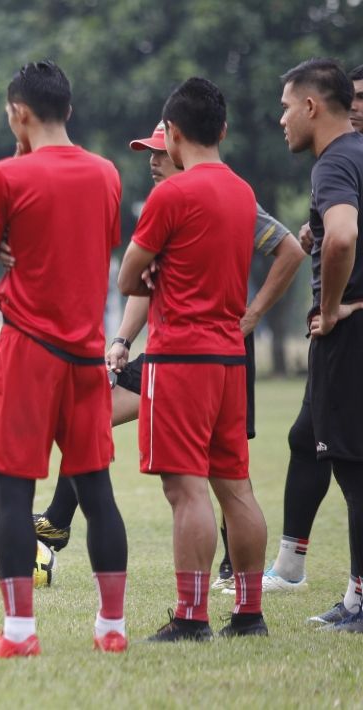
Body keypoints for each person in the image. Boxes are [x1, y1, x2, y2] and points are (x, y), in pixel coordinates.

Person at [28, 120, 303, 595]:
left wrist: (254, 314)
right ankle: (57, 522)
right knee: (90, 418)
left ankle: (228, 576)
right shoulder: (170, 204)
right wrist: (121, 341)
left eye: (159, 150)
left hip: (202, 348)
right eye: (148, 152)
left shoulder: (226, 195)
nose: (152, 160)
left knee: (217, 476)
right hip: (170, 349)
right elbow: (147, 285)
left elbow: (289, 250)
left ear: (180, 145)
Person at [0, 61, 128, 659]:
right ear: (69, 110)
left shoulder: (5, 175)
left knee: (10, 494)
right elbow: (99, 243)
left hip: (30, 349)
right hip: (87, 354)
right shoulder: (107, 173)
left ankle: (19, 634)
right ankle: (111, 627)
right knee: (97, 490)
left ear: (19, 113)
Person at [120, 77, 269, 641]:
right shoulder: (242, 191)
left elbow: (128, 275)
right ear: (224, 130)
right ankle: (249, 614)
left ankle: (191, 616)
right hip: (231, 359)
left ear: (174, 134)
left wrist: (153, 270)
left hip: (179, 357)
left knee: (186, 489)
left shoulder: (171, 195)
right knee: (236, 487)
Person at [257, 63, 363, 624]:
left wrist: (330, 311)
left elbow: (344, 236)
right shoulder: (356, 157)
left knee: (351, 467)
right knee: (324, 447)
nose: (281, 118)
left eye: (285, 105)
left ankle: (359, 600)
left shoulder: (336, 162)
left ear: (312, 108)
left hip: (347, 339)